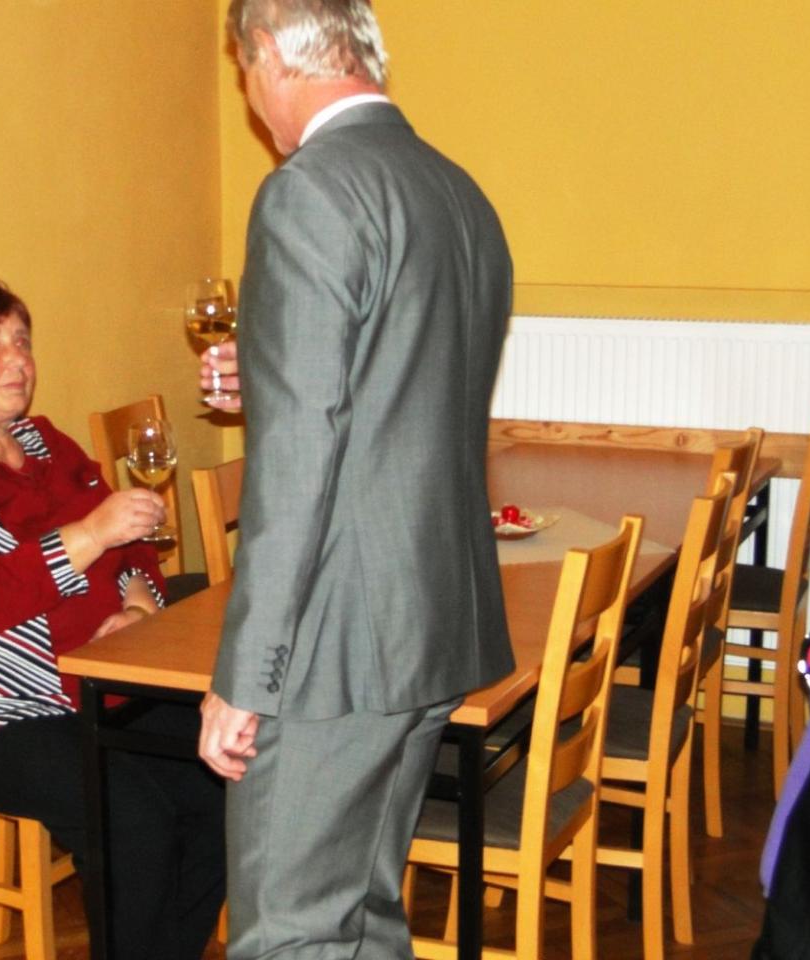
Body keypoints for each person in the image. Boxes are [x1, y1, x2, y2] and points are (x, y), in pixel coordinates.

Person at [197, 2, 516, 957]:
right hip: (432, 624)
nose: (251, 99)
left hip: (336, 645)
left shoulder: (308, 190)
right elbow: (400, 386)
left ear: (266, 53)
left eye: (243, 71)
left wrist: (246, 678)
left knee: (292, 932)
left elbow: (299, 465)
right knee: (364, 917)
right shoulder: (455, 189)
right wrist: (268, 371)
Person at [0, 277, 224, 960]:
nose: (16, 360)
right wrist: (89, 533)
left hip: (92, 678)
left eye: (21, 341)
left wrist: (137, 602)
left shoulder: (45, 442)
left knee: (225, 768)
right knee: (130, 818)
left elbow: (133, 541)